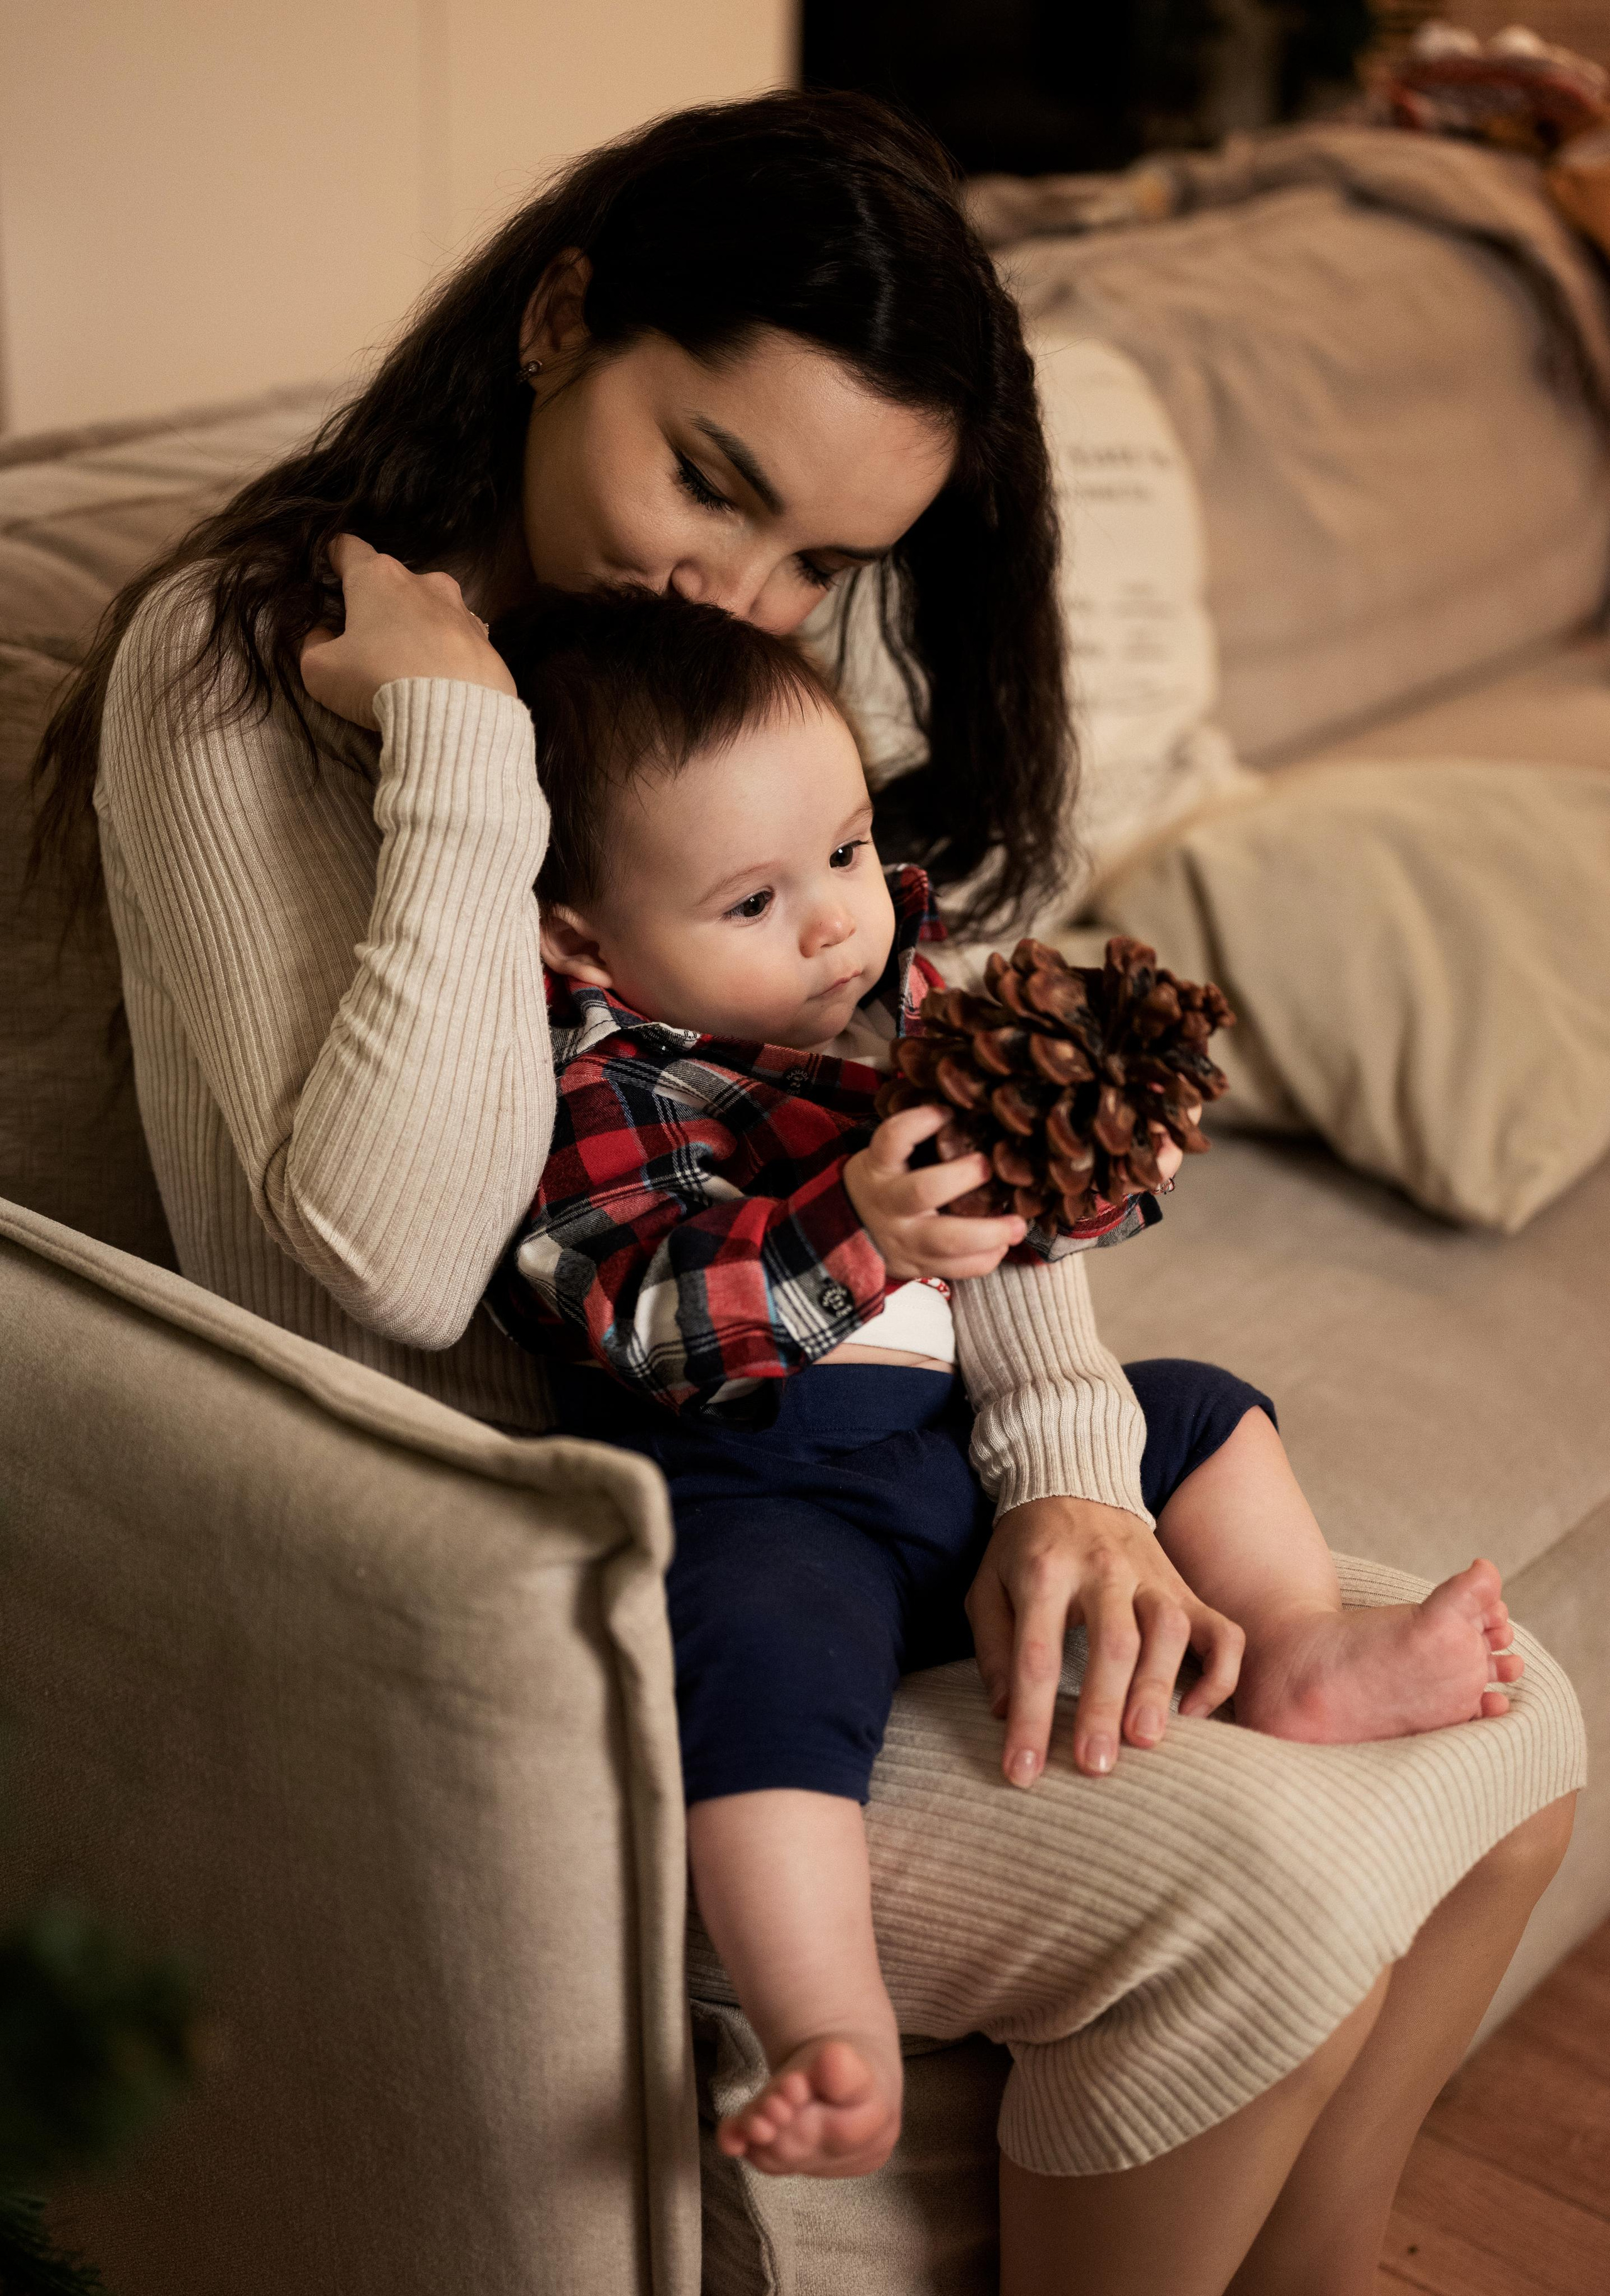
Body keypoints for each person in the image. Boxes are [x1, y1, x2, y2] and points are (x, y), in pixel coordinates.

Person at [33, 89, 1580, 2294]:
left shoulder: (696, 656)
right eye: (714, 478)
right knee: (1264, 1890)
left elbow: (916, 1080)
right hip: (586, 1535)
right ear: (563, 319)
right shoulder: (247, 663)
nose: (740, 592)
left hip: (854, 1413)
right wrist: (463, 765)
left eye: (820, 565)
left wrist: (1068, 1479)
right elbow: (372, 1272)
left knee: (1520, 1742)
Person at [484, 584, 1526, 2180]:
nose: (836, 919)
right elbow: (640, 1316)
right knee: (752, 1660)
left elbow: (1035, 1205)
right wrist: (852, 1230)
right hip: (771, 1490)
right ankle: (820, 2018)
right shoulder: (610, 1084)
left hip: (952, 1456)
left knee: (1198, 1403)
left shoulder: (911, 997)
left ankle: (1302, 1652)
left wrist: (1105, 1152)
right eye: (751, 901)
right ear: (587, 940)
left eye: (841, 852)